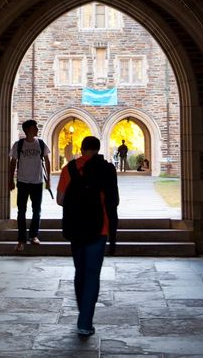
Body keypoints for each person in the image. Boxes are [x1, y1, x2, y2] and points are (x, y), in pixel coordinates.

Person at [55, 136, 119, 337]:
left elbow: (60, 200)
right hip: (99, 228)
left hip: (76, 227)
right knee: (92, 274)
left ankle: (83, 311)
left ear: (82, 149)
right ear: (98, 149)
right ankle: (85, 321)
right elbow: (114, 200)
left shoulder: (69, 169)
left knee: (80, 271)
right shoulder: (107, 169)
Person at [9, 120, 51, 251]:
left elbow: (47, 161)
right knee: (21, 211)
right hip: (22, 182)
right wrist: (10, 180)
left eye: (37, 127)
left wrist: (48, 180)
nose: (37, 130)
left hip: (37, 182)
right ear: (27, 130)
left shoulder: (41, 143)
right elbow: (13, 163)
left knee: (36, 211)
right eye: (34, 128)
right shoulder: (19, 144)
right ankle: (21, 239)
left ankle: (33, 236)